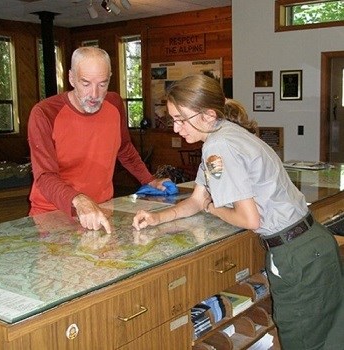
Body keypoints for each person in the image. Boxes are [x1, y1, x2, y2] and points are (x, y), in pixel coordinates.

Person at [132, 74, 344, 349]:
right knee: (331, 337)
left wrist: (213, 208)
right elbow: (197, 199)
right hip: (314, 244)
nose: (176, 128)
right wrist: (158, 217)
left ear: (208, 114)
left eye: (181, 119)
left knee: (304, 342)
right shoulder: (224, 133)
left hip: (296, 257)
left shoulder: (218, 146)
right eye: (172, 119)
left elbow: (248, 218)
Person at [28, 46, 166, 234]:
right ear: (71, 78)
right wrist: (79, 200)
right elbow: (44, 176)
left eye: (102, 84)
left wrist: (149, 180)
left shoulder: (114, 104)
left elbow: (124, 148)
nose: (94, 94)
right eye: (86, 83)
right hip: (53, 214)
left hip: (102, 209)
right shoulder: (44, 113)